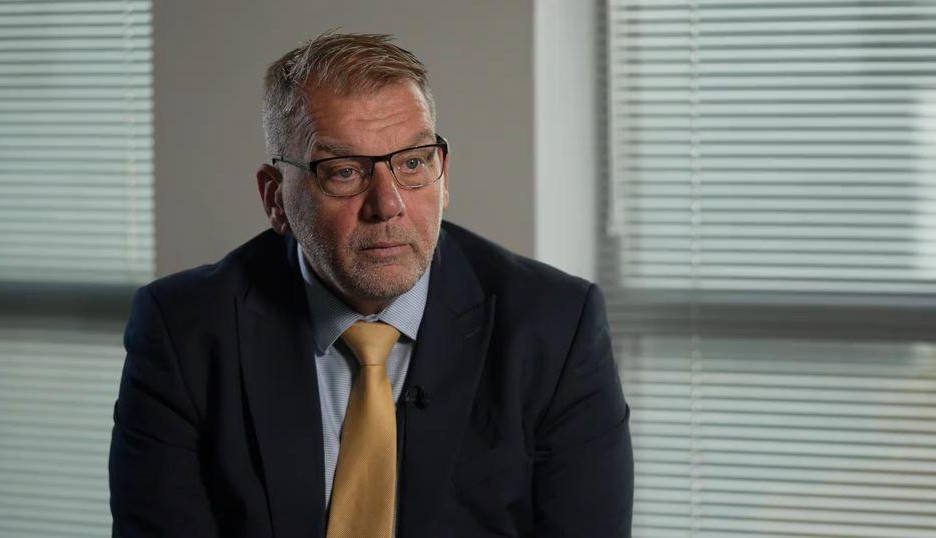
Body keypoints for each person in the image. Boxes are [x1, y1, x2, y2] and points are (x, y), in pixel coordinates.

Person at [109, 31, 633, 537]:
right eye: (344, 171)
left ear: (443, 175)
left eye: (412, 163)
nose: (388, 204)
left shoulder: (556, 326)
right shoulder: (183, 329)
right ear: (275, 199)